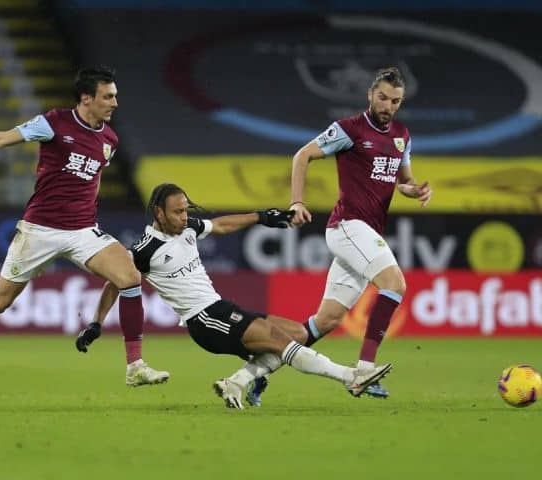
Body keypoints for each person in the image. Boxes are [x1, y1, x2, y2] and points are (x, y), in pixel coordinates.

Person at [0, 67, 169, 387]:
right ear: (86, 98)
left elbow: (93, 181)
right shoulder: (53, 122)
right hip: (40, 230)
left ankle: (135, 365)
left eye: (115, 96)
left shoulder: (110, 139)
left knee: (131, 277)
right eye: (108, 96)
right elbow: (0, 139)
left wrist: (87, 213)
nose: (114, 103)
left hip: (81, 230)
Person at [76, 183, 392, 409]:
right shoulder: (145, 250)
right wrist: (96, 323)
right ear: (158, 213)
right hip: (204, 320)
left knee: (296, 333)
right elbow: (114, 283)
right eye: (177, 212)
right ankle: (350, 376)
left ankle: (238, 382)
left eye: (186, 210)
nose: (184, 217)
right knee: (282, 342)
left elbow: (222, 225)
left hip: (220, 308)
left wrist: (262, 217)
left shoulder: (187, 229)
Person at [285, 66, 433, 399]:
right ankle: (365, 370)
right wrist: (296, 202)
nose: (388, 106)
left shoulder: (402, 135)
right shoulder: (349, 129)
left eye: (395, 101)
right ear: (370, 94)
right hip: (348, 225)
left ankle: (254, 372)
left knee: (326, 320)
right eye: (382, 98)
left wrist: (416, 191)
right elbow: (302, 155)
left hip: (364, 231)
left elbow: (403, 182)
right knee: (395, 283)